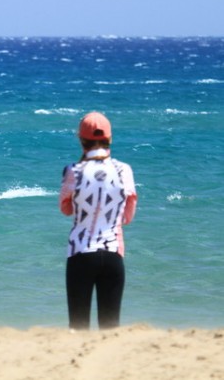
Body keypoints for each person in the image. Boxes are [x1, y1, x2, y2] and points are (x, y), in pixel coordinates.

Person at [59, 112, 138, 330]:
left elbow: (65, 209)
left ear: (81, 139)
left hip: (80, 254)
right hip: (113, 255)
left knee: (78, 327)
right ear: (109, 139)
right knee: (110, 329)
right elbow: (128, 217)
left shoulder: (73, 171)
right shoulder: (125, 170)